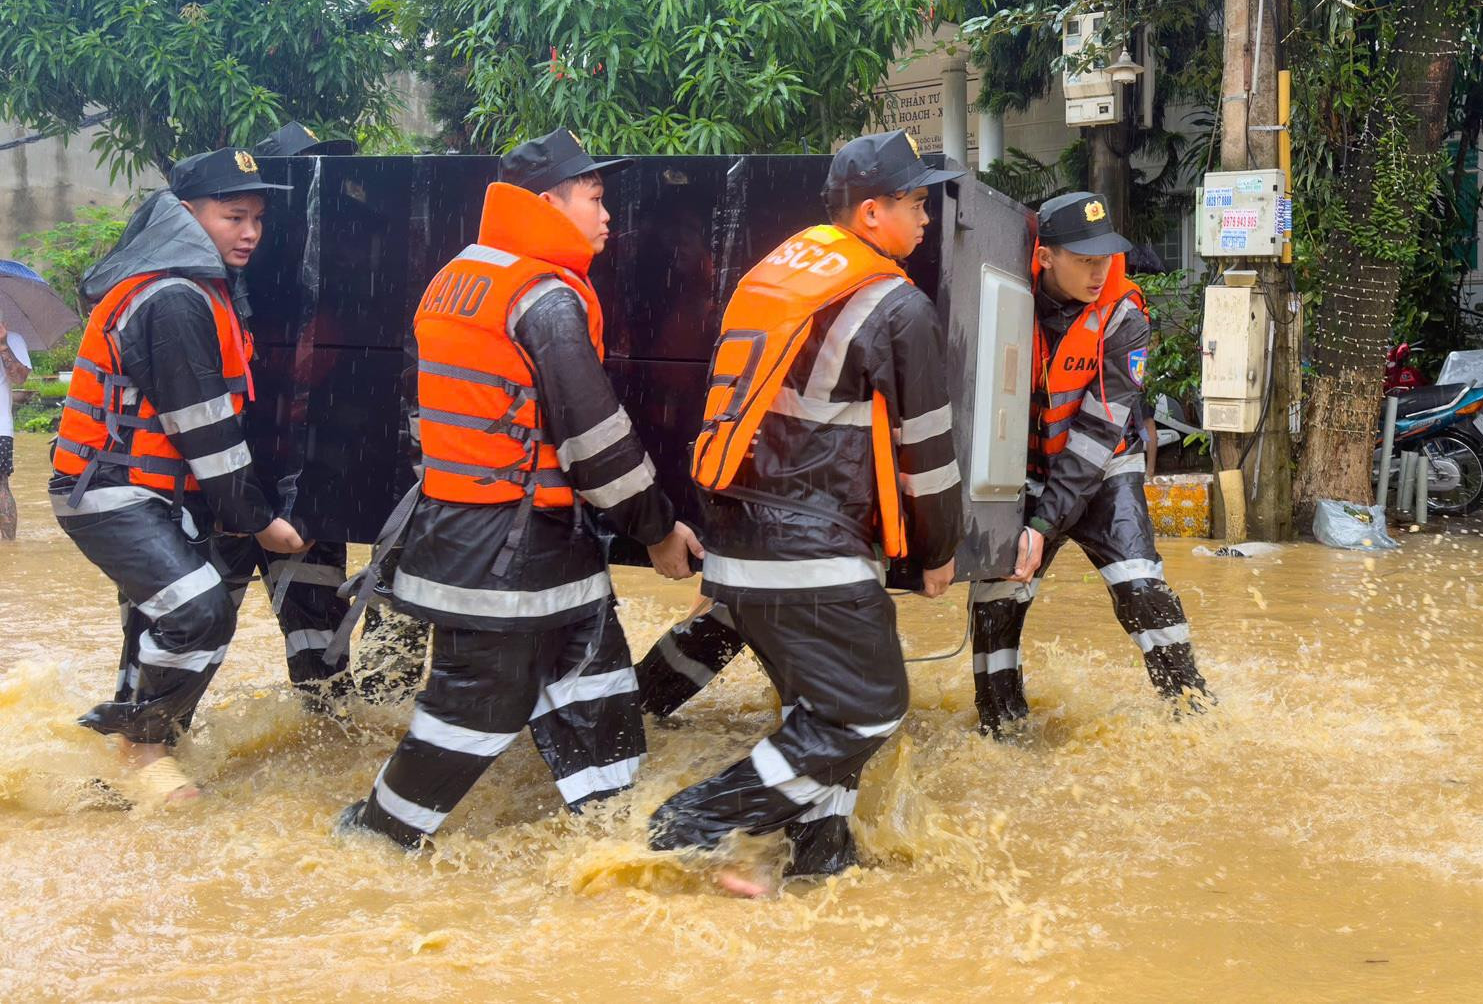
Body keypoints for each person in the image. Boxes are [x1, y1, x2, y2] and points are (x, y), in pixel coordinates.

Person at [335, 129, 704, 848]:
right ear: (545, 203)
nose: (607, 217)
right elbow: (594, 438)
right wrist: (656, 530)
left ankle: (617, 845)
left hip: (485, 532)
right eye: (594, 199)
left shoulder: (457, 278)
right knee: (477, 706)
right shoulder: (542, 297)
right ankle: (373, 843)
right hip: (509, 545)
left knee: (595, 685)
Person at [646, 130, 963, 897]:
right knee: (867, 709)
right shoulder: (893, 304)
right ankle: (687, 826)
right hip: (810, 548)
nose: (925, 219)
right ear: (868, 214)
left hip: (739, 542)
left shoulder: (775, 279)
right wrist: (937, 552)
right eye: (913, 203)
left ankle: (821, 863)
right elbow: (927, 450)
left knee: (817, 714)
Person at [50, 148, 310, 804]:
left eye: (256, 218)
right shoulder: (172, 299)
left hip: (158, 492)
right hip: (111, 489)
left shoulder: (206, 288)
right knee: (200, 611)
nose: (249, 232)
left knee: (157, 622)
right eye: (233, 216)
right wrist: (258, 520)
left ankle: (107, 769)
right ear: (187, 213)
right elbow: (208, 434)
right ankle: (143, 752)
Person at [968, 192, 1209, 735]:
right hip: (1022, 470)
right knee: (996, 598)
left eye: (1105, 257)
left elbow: (1097, 435)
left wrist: (1039, 527)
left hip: (1104, 470)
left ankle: (1193, 712)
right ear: (1046, 256)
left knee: (1141, 587)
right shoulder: (1001, 291)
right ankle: (1001, 730)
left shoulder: (1125, 314)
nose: (1099, 271)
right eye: (1083, 259)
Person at [206, 120, 361, 702]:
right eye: (308, 173)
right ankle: (142, 759)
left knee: (323, 652)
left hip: (310, 490)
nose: (326, 186)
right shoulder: (215, 276)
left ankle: (327, 772)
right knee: (193, 633)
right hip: (223, 489)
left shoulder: (351, 271)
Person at [0, 319, 31, 540]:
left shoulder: (14, 340)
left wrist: (2, 344)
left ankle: (10, 546)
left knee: (1, 484)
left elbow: (19, 378)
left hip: (0, 427)